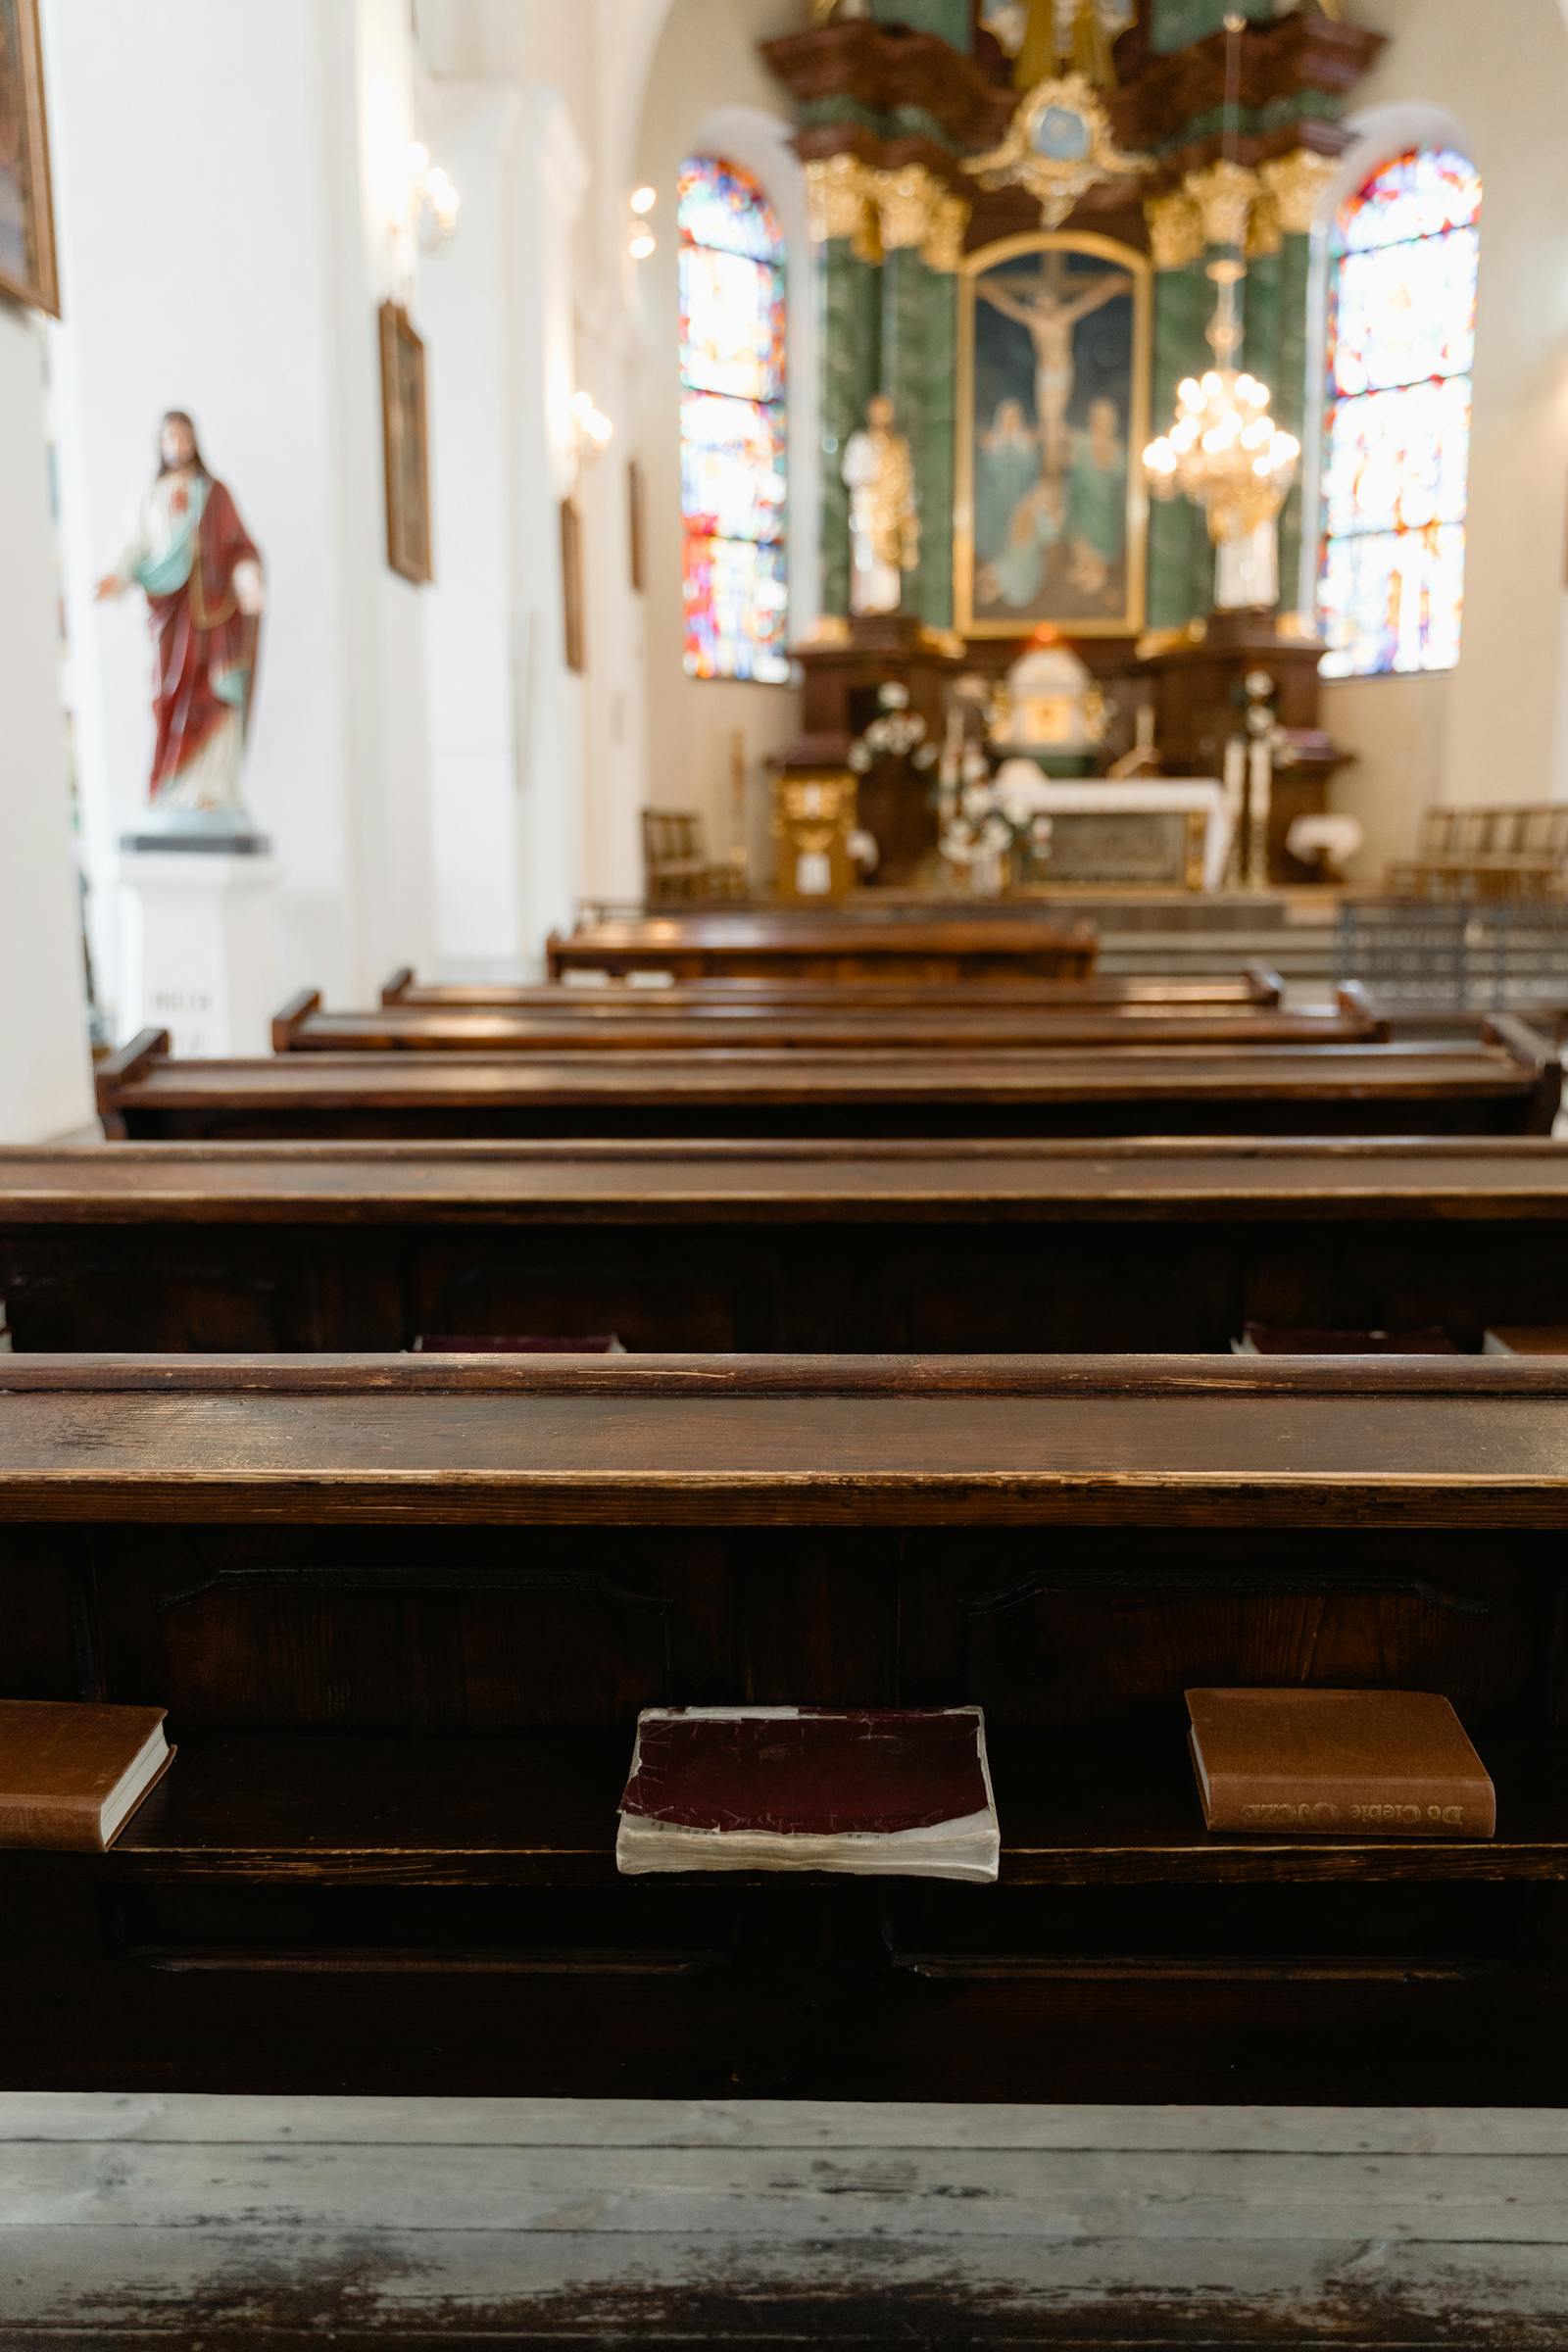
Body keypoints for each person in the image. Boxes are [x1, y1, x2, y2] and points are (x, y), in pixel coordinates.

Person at [94, 411, 265, 824]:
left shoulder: (215, 493)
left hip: (214, 613)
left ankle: (213, 788)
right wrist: (116, 576)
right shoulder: (150, 493)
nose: (176, 446)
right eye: (168, 438)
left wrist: (247, 579)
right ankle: (175, 786)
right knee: (170, 692)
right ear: (160, 444)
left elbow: (240, 546)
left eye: (182, 437)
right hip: (171, 612)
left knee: (215, 692)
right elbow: (133, 542)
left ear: (194, 441)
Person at [978, 257, 1124, 487]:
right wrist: (991, 292)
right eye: (1041, 302)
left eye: (1048, 301)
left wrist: (1108, 287)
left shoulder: (1063, 317)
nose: (1045, 306)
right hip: (1046, 374)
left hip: (1062, 373)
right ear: (1037, 303)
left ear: (1054, 302)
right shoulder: (1035, 320)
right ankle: (1051, 466)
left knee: (1052, 420)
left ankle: (1054, 465)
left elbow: (1089, 302)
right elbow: (1010, 308)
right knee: (1049, 421)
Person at [1064, 395, 1127, 604]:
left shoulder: (1118, 451)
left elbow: (1119, 485)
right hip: (1081, 511)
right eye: (1098, 419)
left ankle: (1092, 573)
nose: (1101, 424)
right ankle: (1088, 569)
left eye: (1106, 420)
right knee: (1083, 546)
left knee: (1096, 550)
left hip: (1106, 514)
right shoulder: (1081, 444)